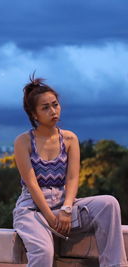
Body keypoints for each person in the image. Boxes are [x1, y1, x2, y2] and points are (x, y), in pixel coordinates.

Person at [13, 74, 127, 267]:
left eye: (55, 104)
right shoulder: (23, 141)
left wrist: (66, 209)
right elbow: (31, 184)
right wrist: (51, 217)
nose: (53, 111)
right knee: (43, 252)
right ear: (34, 114)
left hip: (64, 205)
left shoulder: (70, 139)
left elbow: (73, 178)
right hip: (33, 209)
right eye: (45, 107)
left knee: (108, 203)